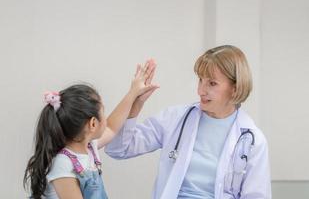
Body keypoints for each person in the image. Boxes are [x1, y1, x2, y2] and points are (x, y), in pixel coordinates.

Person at [105, 45, 271, 199]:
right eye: (200, 80)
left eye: (212, 83)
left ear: (235, 88)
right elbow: (118, 149)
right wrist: (136, 103)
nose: (200, 91)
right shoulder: (176, 118)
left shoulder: (253, 141)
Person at [23, 60, 159, 199]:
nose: (106, 118)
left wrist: (135, 95)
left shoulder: (89, 148)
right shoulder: (63, 164)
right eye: (103, 112)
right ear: (93, 124)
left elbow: (112, 127)